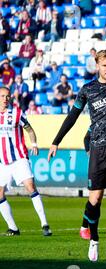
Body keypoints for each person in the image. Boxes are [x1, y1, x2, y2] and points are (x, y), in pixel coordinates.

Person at [47, 5, 106, 262]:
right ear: (97, 65)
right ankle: (95, 240)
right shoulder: (87, 90)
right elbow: (73, 116)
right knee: (95, 200)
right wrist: (56, 141)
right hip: (99, 149)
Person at [0, 87, 52, 237]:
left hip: (19, 158)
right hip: (3, 162)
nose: (5, 99)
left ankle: (45, 224)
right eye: (2, 96)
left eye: (7, 96)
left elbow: (29, 130)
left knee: (30, 186)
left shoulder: (17, 113)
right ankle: (13, 228)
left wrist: (34, 144)